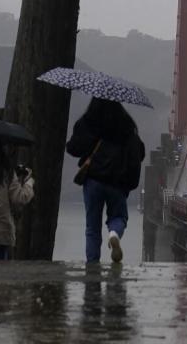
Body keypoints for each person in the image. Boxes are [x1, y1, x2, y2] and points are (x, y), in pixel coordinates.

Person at [66, 97, 146, 263]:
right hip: (117, 184)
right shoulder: (126, 127)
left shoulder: (90, 122)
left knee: (92, 227)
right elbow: (139, 153)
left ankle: (92, 263)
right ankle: (114, 234)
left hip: (93, 181)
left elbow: (73, 148)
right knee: (119, 217)